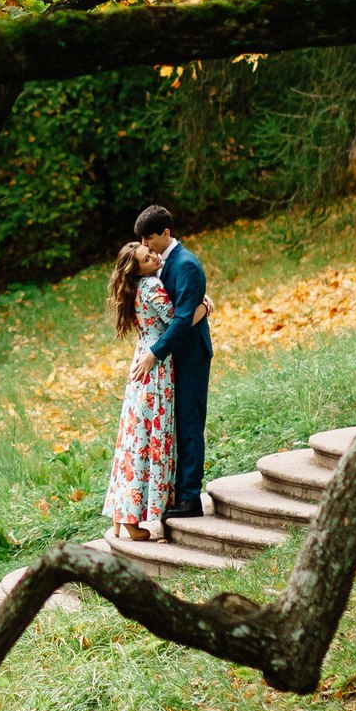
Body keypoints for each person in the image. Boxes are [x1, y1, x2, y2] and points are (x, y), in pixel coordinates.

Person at [134, 205, 213, 524]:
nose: (145, 244)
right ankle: (175, 492)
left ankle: (190, 497)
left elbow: (182, 318)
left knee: (189, 423)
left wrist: (155, 351)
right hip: (172, 359)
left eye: (149, 237)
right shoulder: (158, 264)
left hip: (190, 355)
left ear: (166, 233)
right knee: (173, 425)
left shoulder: (187, 266)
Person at [105, 240, 177, 544]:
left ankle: (123, 514)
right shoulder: (151, 286)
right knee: (152, 436)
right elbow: (177, 322)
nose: (155, 258)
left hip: (141, 361)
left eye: (152, 254)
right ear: (139, 269)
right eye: (148, 259)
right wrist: (204, 305)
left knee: (134, 438)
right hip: (155, 368)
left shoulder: (134, 288)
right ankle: (135, 521)